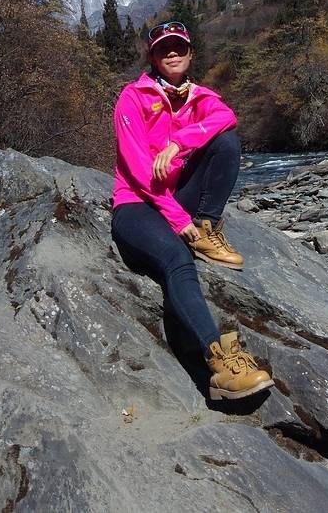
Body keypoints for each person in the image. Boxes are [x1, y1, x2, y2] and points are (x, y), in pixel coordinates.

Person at [111, 20, 274, 400]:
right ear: (152, 56)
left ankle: (207, 227)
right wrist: (177, 218)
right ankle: (220, 364)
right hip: (137, 204)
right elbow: (138, 171)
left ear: (190, 53)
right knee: (177, 260)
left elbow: (226, 117)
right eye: (163, 48)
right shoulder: (133, 97)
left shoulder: (200, 97)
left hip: (178, 197)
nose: (172, 53)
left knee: (227, 143)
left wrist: (180, 141)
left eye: (179, 47)